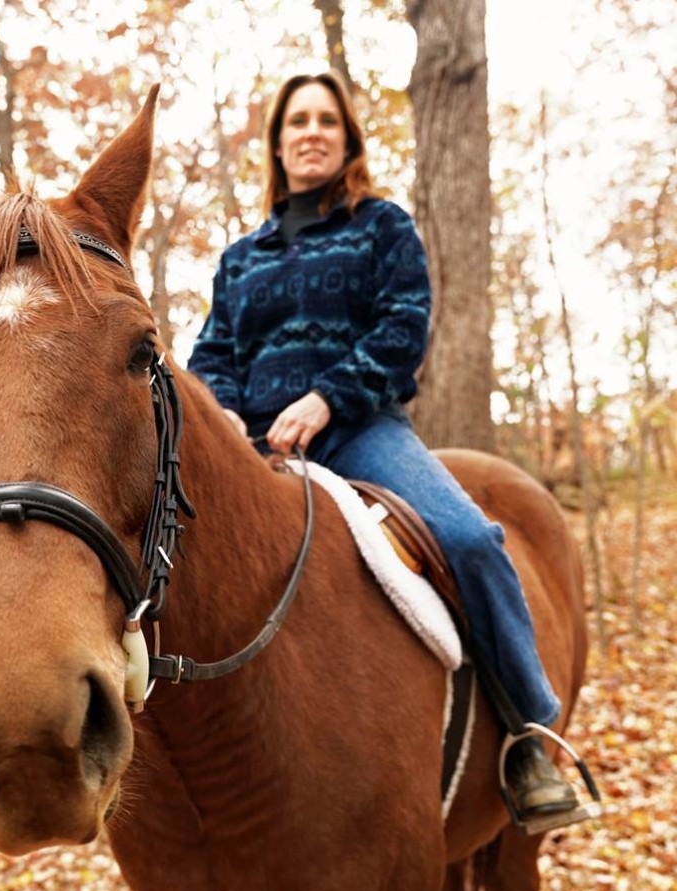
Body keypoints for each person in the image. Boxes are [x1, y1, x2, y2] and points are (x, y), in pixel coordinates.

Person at [188, 70, 586, 828]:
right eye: (297, 121)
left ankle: (531, 737)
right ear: (277, 144)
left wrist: (326, 397)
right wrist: (232, 425)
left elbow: (403, 331)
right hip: (256, 450)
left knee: (468, 538)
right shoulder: (240, 259)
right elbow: (213, 357)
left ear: (347, 140)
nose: (311, 132)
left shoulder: (382, 227)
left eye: (326, 122)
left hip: (361, 432)